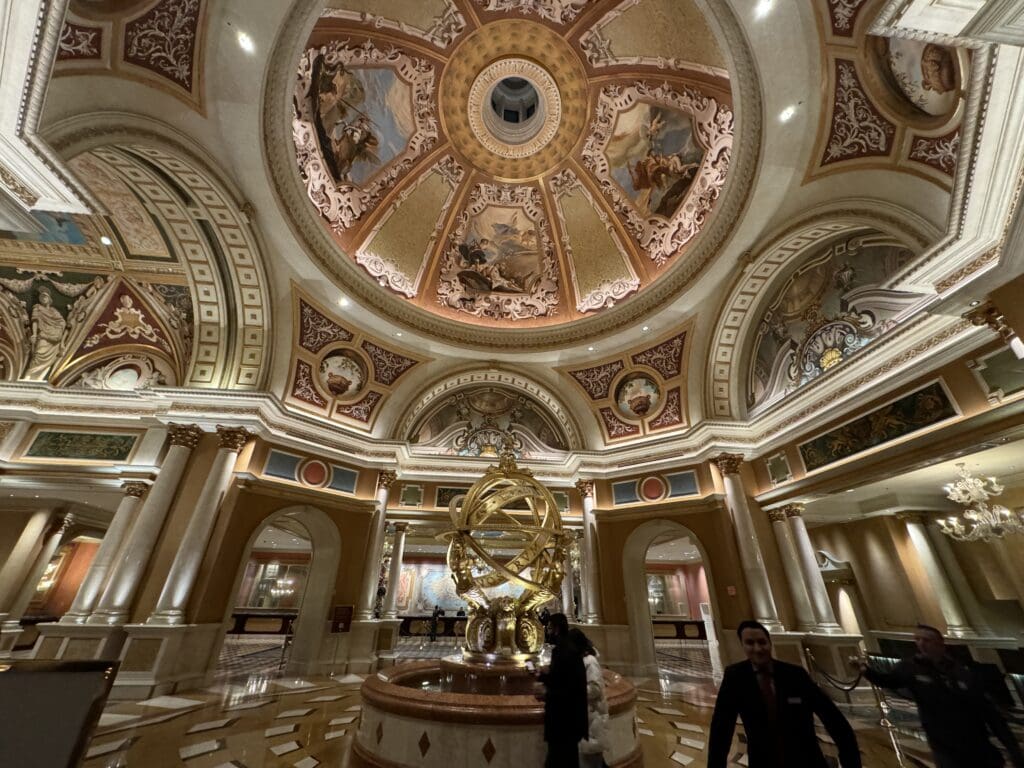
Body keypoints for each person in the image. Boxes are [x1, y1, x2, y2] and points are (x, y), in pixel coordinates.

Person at [860, 624, 1024, 768]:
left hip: (976, 740)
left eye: (926, 640)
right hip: (943, 743)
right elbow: (889, 681)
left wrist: (1012, 748)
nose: (921, 644)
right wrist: (866, 671)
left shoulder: (961, 670)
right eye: (917, 640)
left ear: (940, 643)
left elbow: (989, 711)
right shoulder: (910, 667)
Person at [708, 620, 861, 768]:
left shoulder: (795, 675)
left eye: (762, 642)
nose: (757, 648)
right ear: (742, 646)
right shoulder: (735, 677)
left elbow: (833, 719)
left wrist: (851, 762)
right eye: (750, 643)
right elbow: (721, 728)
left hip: (806, 761)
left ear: (769, 643)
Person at [537, 612, 588, 768]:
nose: (548, 631)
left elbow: (566, 687)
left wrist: (546, 692)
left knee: (560, 760)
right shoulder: (568, 650)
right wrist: (541, 675)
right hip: (570, 722)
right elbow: (561, 678)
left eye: (550, 628)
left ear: (557, 629)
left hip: (563, 721)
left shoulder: (563, 651)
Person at [569, 628, 609, 768]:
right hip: (585, 721)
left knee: (591, 762)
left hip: (592, 722)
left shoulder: (590, 661)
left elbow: (595, 689)